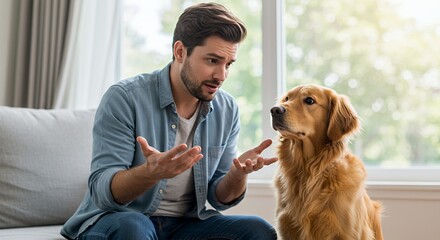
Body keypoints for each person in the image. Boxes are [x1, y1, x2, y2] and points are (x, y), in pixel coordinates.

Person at [61, 2, 278, 240]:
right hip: (120, 218)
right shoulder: (125, 98)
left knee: (258, 231)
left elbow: (219, 198)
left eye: (228, 64)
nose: (221, 75)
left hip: (185, 225)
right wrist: (151, 172)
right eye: (212, 61)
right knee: (134, 227)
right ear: (180, 52)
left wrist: (238, 176)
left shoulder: (227, 109)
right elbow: (103, 190)